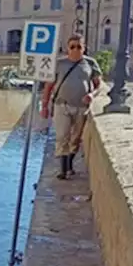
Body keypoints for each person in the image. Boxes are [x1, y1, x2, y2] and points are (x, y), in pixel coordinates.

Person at [41, 33, 102, 180]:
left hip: (81, 107)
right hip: (62, 105)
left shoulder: (90, 63)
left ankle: (69, 165)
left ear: (84, 48)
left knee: (75, 138)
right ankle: (62, 170)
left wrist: (92, 95)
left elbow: (98, 85)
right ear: (67, 49)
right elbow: (48, 87)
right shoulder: (59, 64)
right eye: (72, 47)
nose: (75, 49)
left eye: (79, 47)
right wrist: (45, 106)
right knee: (62, 136)